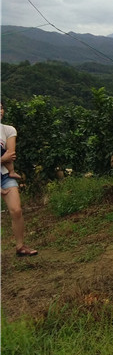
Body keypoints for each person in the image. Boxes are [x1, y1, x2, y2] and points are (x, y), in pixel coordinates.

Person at [1, 102, 38, 256]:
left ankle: (20, 246)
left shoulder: (8, 130)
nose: (0, 111)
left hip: (4, 175)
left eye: (1, 107)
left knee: (16, 210)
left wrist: (4, 160)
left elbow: (10, 154)